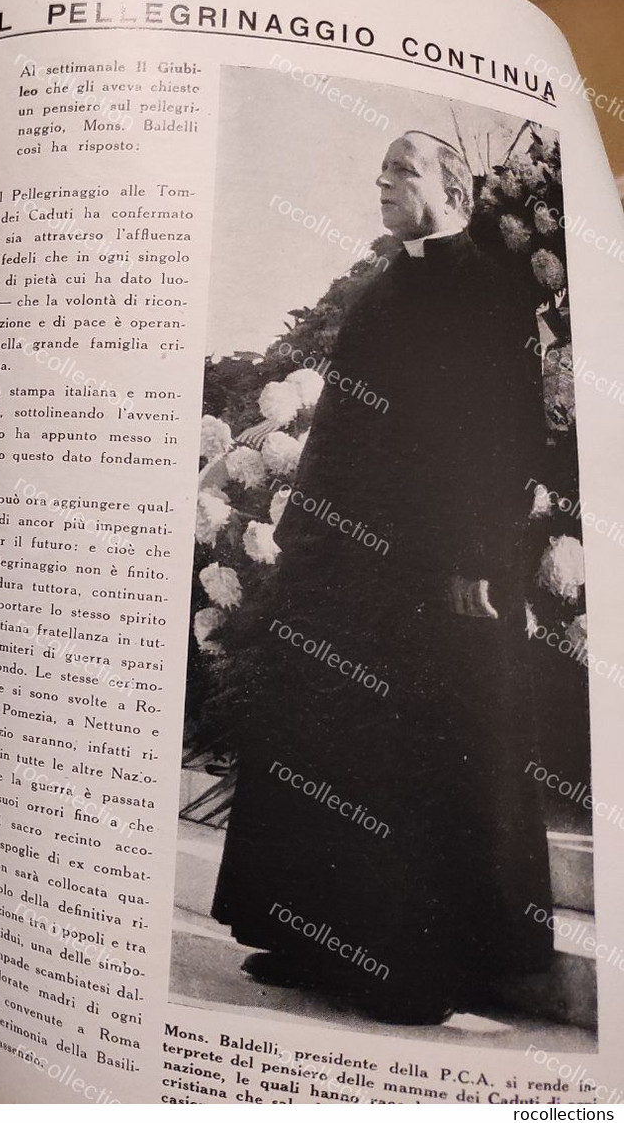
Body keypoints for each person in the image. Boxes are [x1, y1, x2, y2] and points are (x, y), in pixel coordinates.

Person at [208, 131, 552, 1025]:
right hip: (341, 560)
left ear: (453, 185)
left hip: (437, 565)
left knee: (417, 753)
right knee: (321, 732)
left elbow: (508, 433)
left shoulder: (491, 287)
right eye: (378, 173)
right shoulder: (378, 291)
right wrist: (304, 536)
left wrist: (481, 555)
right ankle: (311, 935)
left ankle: (417, 968)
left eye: (401, 171)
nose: (382, 184)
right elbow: (337, 436)